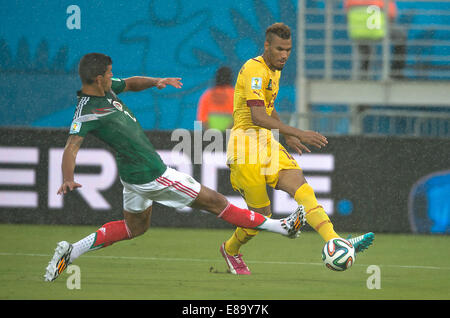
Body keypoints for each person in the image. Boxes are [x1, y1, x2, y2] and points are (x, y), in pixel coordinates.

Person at [44, 53, 305, 282]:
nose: (113, 77)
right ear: (98, 78)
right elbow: (71, 147)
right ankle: (280, 227)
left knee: (135, 228)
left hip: (132, 176)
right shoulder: (86, 113)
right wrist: (68, 177)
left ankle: (71, 250)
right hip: (152, 174)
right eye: (109, 73)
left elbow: (131, 83)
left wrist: (156, 81)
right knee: (215, 201)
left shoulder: (105, 87)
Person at [220, 23, 374, 275]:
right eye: (279, 49)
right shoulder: (254, 70)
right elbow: (257, 116)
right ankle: (230, 249)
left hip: (266, 143)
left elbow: (268, 108)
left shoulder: (274, 70)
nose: (284, 55)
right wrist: (298, 132)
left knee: (302, 189)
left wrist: (283, 134)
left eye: (288, 50)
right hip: (244, 147)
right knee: (261, 216)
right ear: (266, 46)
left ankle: (334, 240)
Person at [344, 0, 406, 79]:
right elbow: (391, 15)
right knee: (401, 36)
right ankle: (396, 74)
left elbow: (347, 15)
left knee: (365, 47)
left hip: (357, 31)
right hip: (378, 30)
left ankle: (363, 75)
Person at [197, 66, 234, 131]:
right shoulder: (235, 95)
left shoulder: (207, 95)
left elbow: (201, 119)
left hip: (211, 137)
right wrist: (226, 133)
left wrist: (211, 134)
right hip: (230, 135)